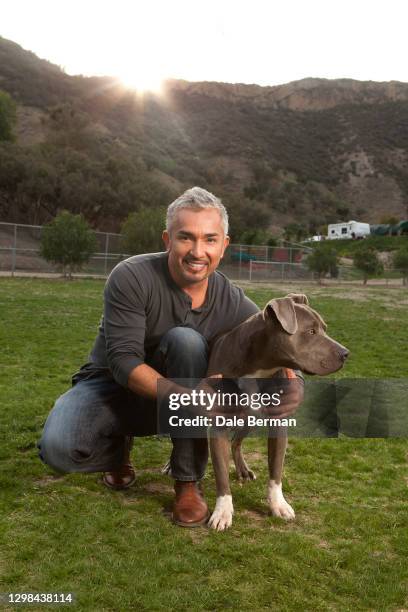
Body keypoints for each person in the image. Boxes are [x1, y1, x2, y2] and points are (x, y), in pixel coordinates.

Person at [37, 187, 303, 527]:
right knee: (59, 449)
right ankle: (118, 447)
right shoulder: (131, 276)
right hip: (110, 386)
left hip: (174, 401)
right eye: (185, 238)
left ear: (224, 245)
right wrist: (193, 398)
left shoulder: (234, 302)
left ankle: (187, 482)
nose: (197, 251)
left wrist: (288, 379)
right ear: (167, 239)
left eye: (209, 239)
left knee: (187, 343)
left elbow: (274, 340)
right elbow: (123, 362)